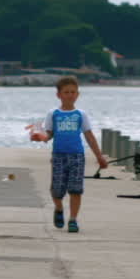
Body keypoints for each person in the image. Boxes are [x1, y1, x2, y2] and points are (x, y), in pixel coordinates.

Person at [30, 75, 109, 232]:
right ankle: (58, 208)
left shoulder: (81, 114)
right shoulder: (53, 113)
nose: (70, 95)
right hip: (59, 155)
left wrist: (99, 156)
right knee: (57, 190)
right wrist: (40, 137)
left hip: (77, 156)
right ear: (59, 95)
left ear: (78, 95)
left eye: (73, 92)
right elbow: (49, 134)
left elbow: (89, 136)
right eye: (66, 92)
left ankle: (73, 219)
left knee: (75, 189)